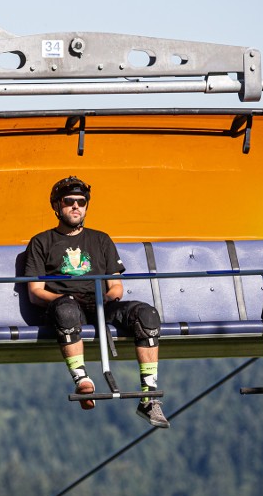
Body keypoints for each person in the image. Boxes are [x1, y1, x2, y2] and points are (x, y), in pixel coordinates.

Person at [24, 176, 169, 428]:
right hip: (64, 305)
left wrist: (106, 299)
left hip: (101, 303)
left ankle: (148, 396)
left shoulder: (101, 240)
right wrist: (62, 298)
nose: (76, 206)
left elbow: (116, 286)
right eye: (69, 202)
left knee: (147, 316)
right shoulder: (41, 242)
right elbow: (35, 292)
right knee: (67, 312)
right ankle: (82, 380)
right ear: (57, 206)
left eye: (81, 202)